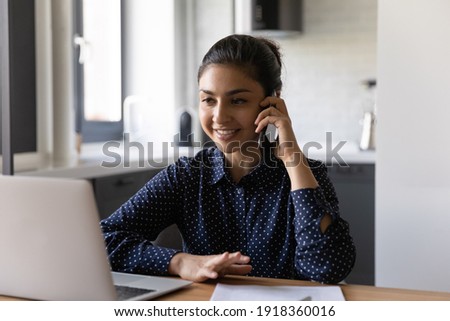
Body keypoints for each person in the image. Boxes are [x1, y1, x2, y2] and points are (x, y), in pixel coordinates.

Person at [100, 34, 356, 283]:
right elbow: (102, 239)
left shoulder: (305, 174)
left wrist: (291, 156)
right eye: (208, 100)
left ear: (272, 101)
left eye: (238, 100)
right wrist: (180, 262)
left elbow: (327, 269)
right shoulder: (187, 175)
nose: (219, 117)